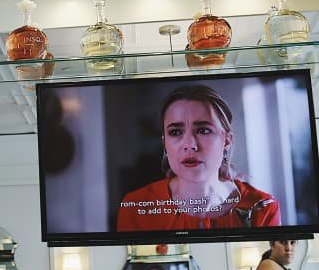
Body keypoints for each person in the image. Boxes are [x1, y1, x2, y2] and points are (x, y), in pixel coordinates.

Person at [117, 85, 280, 231]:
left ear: (226, 140)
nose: (190, 145)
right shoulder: (135, 206)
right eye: (175, 132)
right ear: (165, 143)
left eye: (203, 130)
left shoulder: (262, 207)